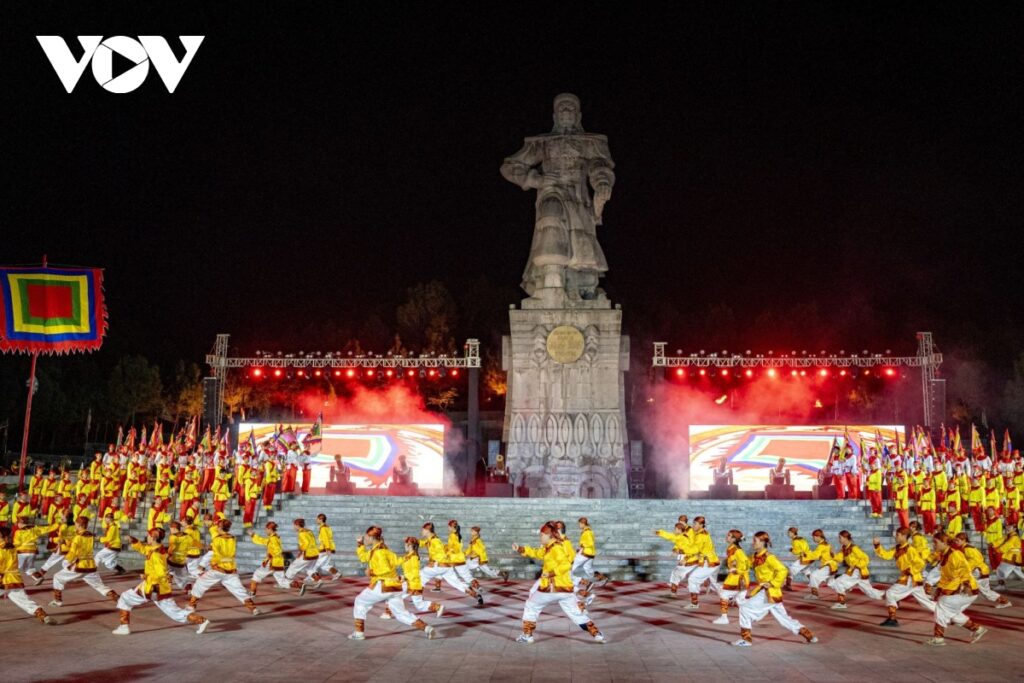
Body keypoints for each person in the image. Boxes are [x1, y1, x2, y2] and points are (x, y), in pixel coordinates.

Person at [513, 522, 605, 644]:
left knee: (531, 605)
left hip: (552, 587)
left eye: (541, 535)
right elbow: (537, 553)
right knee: (575, 613)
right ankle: (596, 633)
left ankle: (527, 635)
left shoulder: (556, 547)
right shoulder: (550, 547)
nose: (540, 537)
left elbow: (566, 564)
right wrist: (521, 549)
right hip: (565, 589)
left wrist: (551, 573)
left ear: (548, 535)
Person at [112, 528, 210, 635]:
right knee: (175, 613)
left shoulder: (156, 554)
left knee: (125, 599)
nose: (147, 537)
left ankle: (124, 627)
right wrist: (133, 540)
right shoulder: (156, 548)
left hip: (153, 587)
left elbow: (161, 573)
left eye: (149, 535)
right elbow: (143, 549)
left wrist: (146, 575)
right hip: (157, 587)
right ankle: (201, 620)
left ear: (153, 537)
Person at [349, 526, 435, 640]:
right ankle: (426, 628)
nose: (365, 539)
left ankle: (359, 633)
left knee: (360, 601)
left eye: (366, 537)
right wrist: (360, 544)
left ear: (372, 537)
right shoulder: (384, 549)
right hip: (395, 586)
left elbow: (385, 569)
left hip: (383, 585)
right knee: (400, 613)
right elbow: (366, 558)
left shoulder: (379, 552)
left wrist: (371, 572)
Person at [732, 531, 817, 646]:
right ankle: (809, 635)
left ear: (762, 542)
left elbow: (783, 570)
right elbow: (746, 564)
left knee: (745, 609)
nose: (753, 543)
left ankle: (746, 640)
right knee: (784, 618)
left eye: (755, 541)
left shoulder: (769, 557)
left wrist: (772, 583)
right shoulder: (755, 556)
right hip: (769, 593)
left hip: (769, 592)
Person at [925, 532, 988, 646]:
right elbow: (945, 576)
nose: (933, 545)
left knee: (942, 606)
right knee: (950, 613)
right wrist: (938, 589)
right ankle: (977, 629)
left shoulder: (955, 554)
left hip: (966, 590)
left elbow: (965, 570)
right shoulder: (945, 555)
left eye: (935, 542)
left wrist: (967, 585)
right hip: (958, 589)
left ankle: (938, 638)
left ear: (944, 543)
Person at [188, 518, 261, 615]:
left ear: (220, 527)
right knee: (239, 590)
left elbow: (211, 550)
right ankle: (253, 609)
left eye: (218, 526)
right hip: (231, 570)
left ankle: (192, 606)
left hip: (218, 570)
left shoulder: (217, 539)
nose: (217, 528)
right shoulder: (233, 538)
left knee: (200, 584)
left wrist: (198, 545)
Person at [873, 526, 936, 627]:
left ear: (904, 536)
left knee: (890, 593)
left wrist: (909, 571)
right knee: (925, 602)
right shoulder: (897, 548)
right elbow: (886, 555)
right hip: (912, 579)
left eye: (897, 535)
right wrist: (877, 545)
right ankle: (948, 613)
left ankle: (892, 619)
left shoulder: (910, 549)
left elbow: (920, 563)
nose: (895, 537)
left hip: (911, 578)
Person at [50, 516, 119, 607]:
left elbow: (72, 552)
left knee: (57, 577)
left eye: (76, 523)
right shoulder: (90, 535)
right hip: (91, 564)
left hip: (81, 564)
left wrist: (67, 560)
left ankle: (57, 601)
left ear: (79, 524)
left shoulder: (78, 537)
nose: (75, 524)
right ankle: (115, 596)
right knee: (98, 585)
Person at [0, 526, 56, 625]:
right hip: (15, 579)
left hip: (3, 579)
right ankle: (42, 615)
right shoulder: (13, 547)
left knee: (23, 600)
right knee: (24, 601)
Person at [419, 522, 483, 605]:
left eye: (423, 530)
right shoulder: (431, 539)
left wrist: (434, 562)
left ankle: (418, 599)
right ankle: (476, 595)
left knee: (420, 576)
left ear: (427, 530)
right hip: (447, 566)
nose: (422, 531)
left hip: (441, 565)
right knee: (458, 583)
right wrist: (414, 541)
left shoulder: (436, 540)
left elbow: (444, 552)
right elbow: (423, 543)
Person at [827, 530, 884, 608]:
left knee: (838, 582)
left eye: (840, 537)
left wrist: (857, 565)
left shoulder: (854, 548)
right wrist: (832, 553)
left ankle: (842, 602)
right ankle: (887, 596)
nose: (839, 539)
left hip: (858, 571)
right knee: (868, 590)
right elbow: (839, 558)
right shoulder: (844, 548)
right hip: (854, 571)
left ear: (845, 538)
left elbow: (866, 558)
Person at [956, 532, 1011, 608]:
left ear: (964, 540)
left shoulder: (967, 549)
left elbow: (975, 560)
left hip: (978, 571)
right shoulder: (968, 547)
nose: (956, 542)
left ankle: (1004, 601)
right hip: (979, 570)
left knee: (982, 590)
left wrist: (965, 569)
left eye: (958, 540)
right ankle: (957, 602)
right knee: (965, 585)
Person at [400, 536, 443, 618]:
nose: (404, 546)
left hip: (413, 584)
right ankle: (437, 607)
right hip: (411, 583)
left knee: (394, 595)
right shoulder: (408, 556)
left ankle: (391, 612)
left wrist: (404, 577)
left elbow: (415, 573)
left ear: (410, 545)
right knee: (419, 605)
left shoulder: (413, 557)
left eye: (405, 545)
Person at [712, 529, 749, 625]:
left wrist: (736, 570)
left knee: (724, 595)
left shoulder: (738, 551)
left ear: (734, 539)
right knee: (740, 601)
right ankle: (753, 613)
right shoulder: (731, 548)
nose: (726, 537)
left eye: (729, 535)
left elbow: (746, 565)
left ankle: (724, 618)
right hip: (736, 578)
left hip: (737, 579)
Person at [683, 516, 719, 610]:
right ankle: (732, 596)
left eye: (695, 523)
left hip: (709, 562)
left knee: (692, 578)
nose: (693, 525)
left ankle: (694, 603)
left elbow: (695, 550)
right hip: (710, 561)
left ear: (701, 525)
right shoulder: (700, 533)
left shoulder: (701, 535)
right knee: (713, 584)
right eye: (693, 523)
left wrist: (687, 557)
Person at [654, 521, 695, 598]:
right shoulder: (683, 537)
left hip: (687, 558)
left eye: (675, 529)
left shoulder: (682, 537)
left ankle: (674, 593)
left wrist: (659, 532)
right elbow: (677, 544)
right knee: (676, 574)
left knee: (677, 574)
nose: (674, 531)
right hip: (686, 558)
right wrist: (675, 550)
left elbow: (670, 536)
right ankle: (673, 593)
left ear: (679, 530)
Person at [247, 521, 289, 594]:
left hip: (272, 562)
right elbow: (263, 541)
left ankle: (252, 592)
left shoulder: (273, 539)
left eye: (266, 529)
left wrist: (271, 555)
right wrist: (253, 535)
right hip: (278, 561)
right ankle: (300, 586)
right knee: (282, 580)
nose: (265, 531)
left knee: (257, 574)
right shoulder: (274, 537)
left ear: (270, 529)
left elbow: (278, 550)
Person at [284, 518, 323, 594]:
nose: (294, 527)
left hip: (307, 554)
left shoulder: (301, 533)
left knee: (293, 567)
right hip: (315, 553)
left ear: (297, 525)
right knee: (309, 568)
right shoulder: (309, 531)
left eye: (294, 525)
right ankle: (318, 580)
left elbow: (305, 544)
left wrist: (301, 551)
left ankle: (287, 582)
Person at [802, 529, 837, 600]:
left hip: (829, 566)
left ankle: (814, 594)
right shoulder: (826, 544)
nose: (813, 539)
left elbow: (815, 555)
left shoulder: (822, 546)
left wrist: (805, 554)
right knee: (831, 583)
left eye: (814, 537)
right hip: (832, 566)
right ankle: (845, 587)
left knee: (813, 575)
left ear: (818, 536)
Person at [310, 513, 341, 581]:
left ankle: (312, 577)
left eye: (317, 519)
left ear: (321, 519)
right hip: (329, 548)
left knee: (315, 564)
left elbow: (325, 539)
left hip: (324, 549)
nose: (316, 520)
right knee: (324, 565)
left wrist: (327, 548)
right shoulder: (327, 527)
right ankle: (336, 573)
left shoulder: (323, 528)